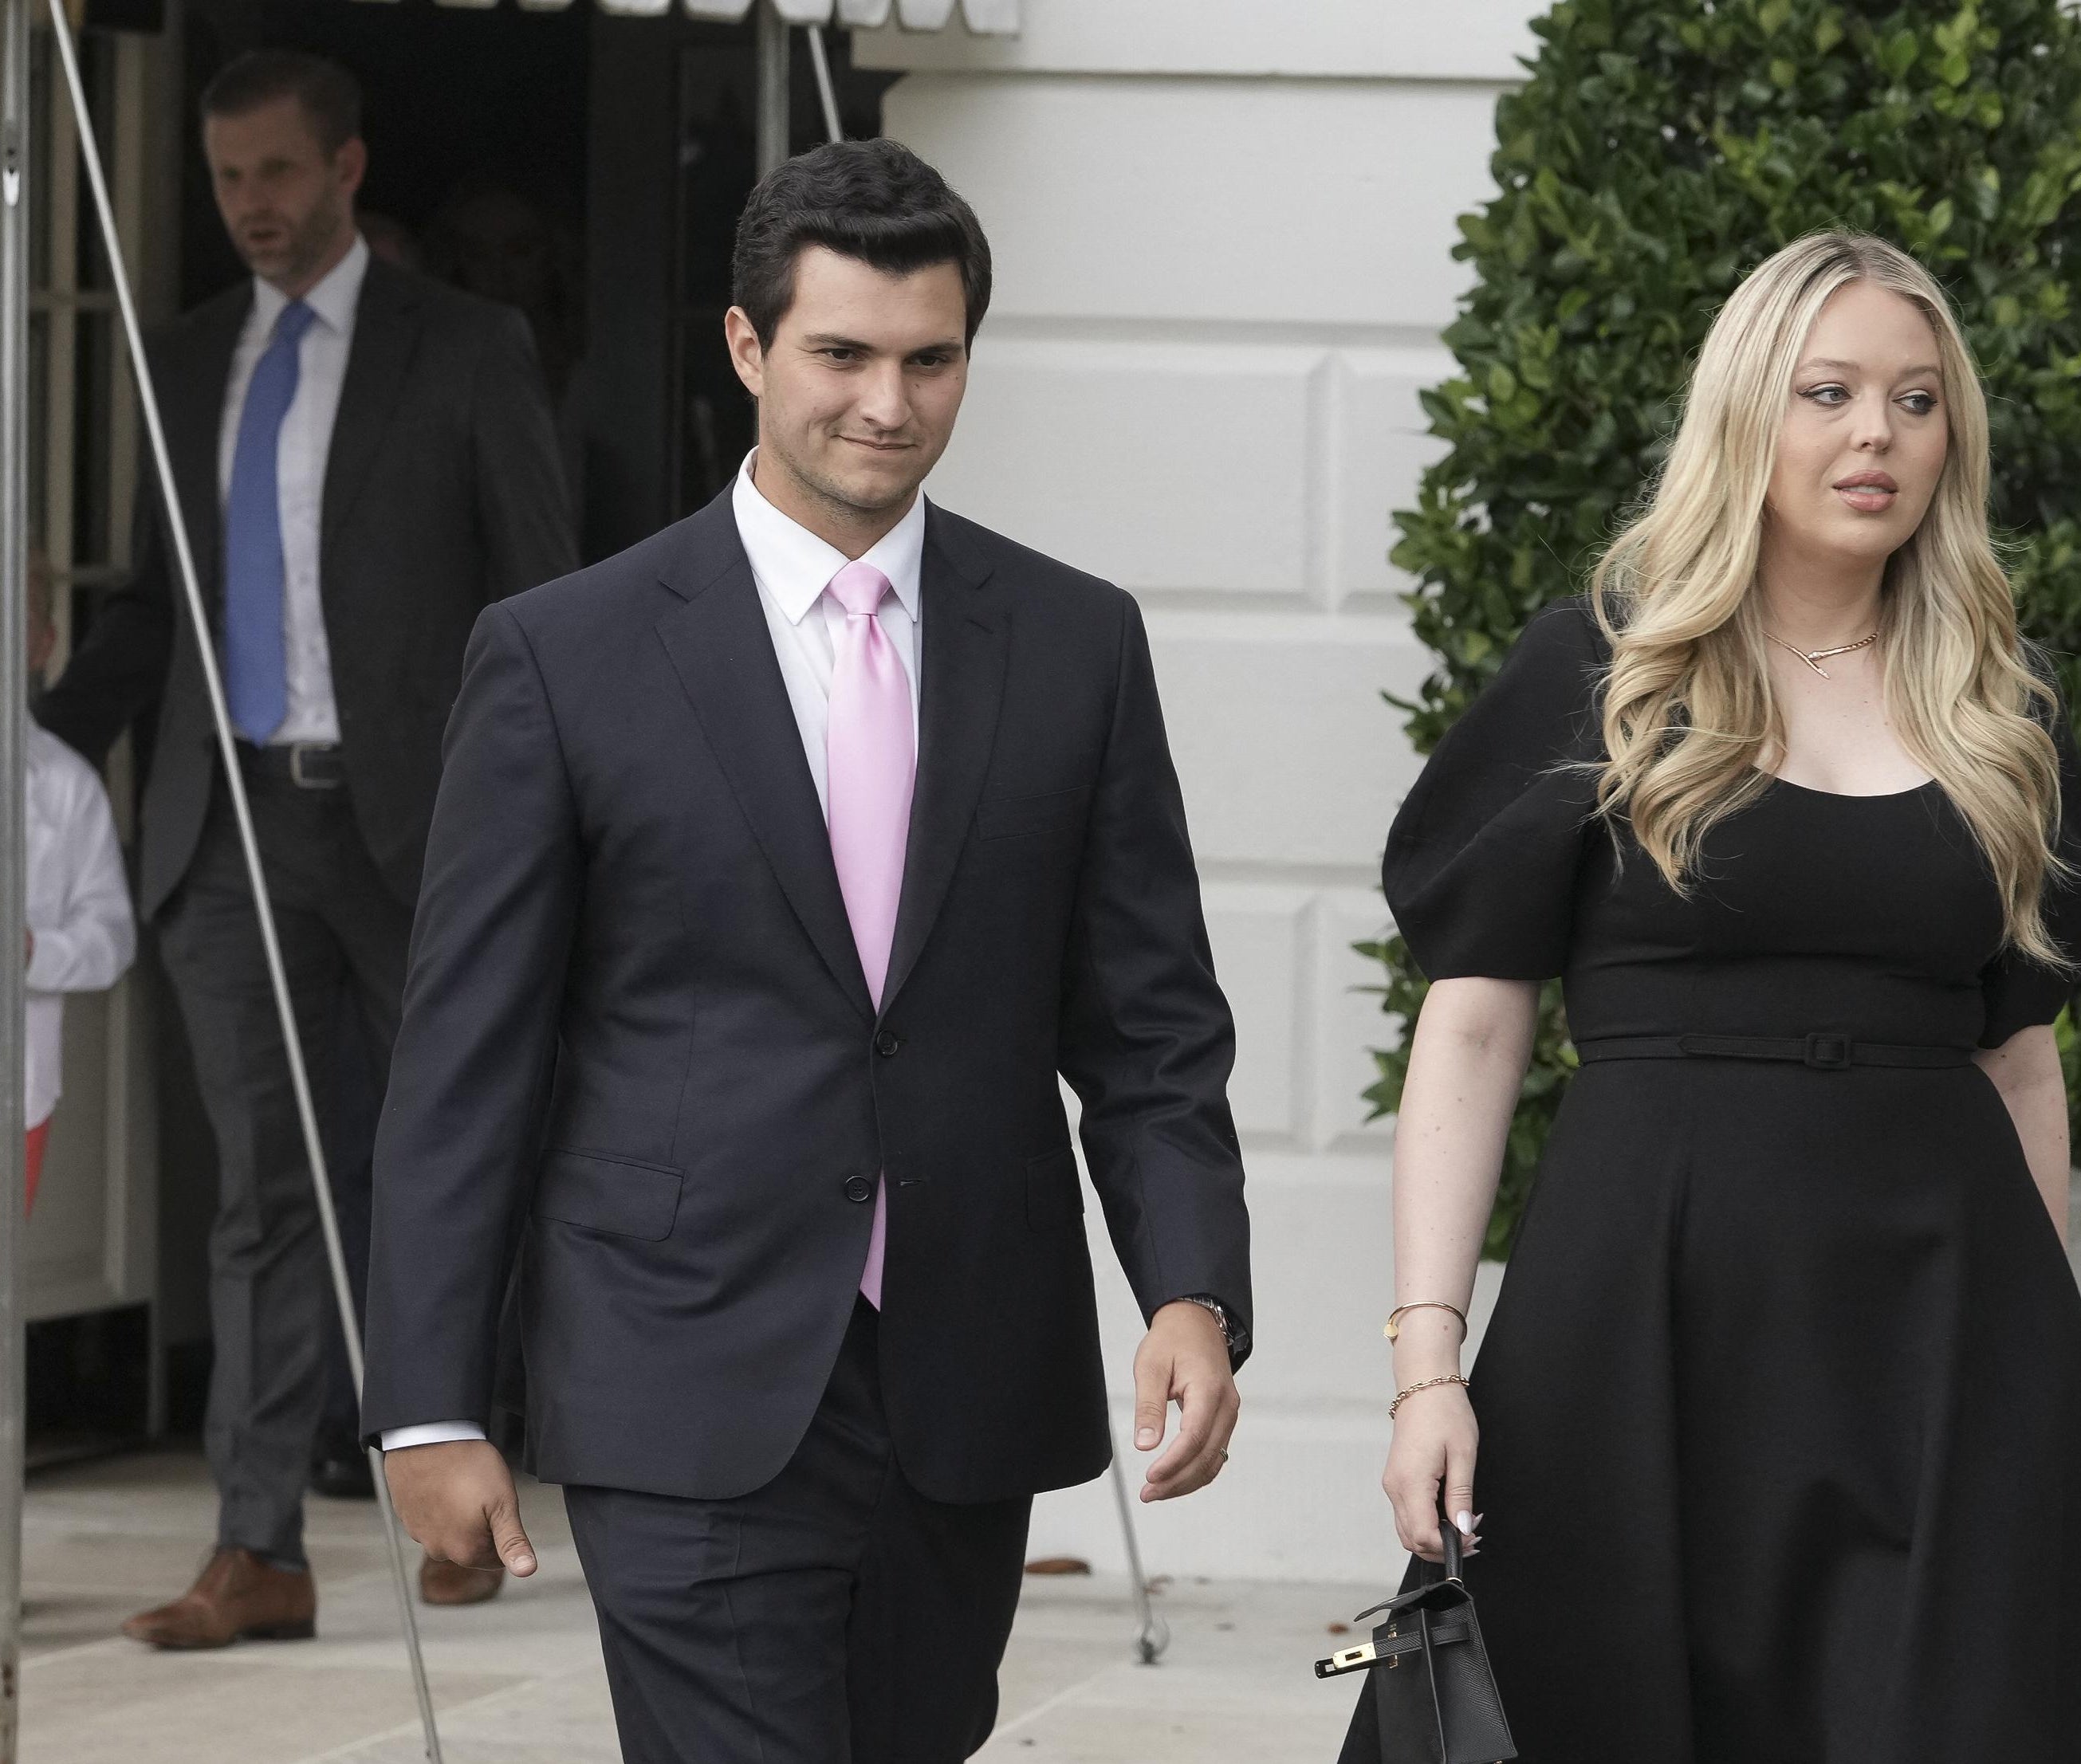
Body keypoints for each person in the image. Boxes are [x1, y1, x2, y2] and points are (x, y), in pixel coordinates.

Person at [365, 138, 1253, 1764]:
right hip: (676, 1363)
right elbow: (464, 1058)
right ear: (746, 346)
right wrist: (431, 1395)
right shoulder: (564, 657)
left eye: (930, 359)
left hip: (964, 1374)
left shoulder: (1074, 643)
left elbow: (1148, 1024)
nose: (888, 402)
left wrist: (1189, 1282)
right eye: (841, 353)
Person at [1343, 231, 2081, 1762]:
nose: (1876, 436)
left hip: (1943, 1312)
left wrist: (2035, 1367)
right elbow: (1475, 1022)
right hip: (1643, 1299)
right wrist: (1427, 1370)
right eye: (1828, 391)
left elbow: (2022, 1058)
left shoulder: (2004, 704)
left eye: (1917, 401)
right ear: (1744, 415)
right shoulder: (1607, 671)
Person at [35, 49, 577, 1646]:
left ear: (345, 170)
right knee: (262, 1194)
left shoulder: (470, 349)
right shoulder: (188, 355)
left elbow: (538, 601)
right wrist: (42, 747)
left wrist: (544, 815)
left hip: (423, 826)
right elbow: (158, 600)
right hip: (227, 825)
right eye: (226, 183)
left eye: (277, 174)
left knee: (454, 1156)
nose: (251, 208)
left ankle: (467, 1487)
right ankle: (255, 1542)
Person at [22, 553, 136, 1214]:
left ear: (44, 643)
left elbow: (112, 936)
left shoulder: (66, 785)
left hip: (20, 1096)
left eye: (16, 618)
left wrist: (38, 953)